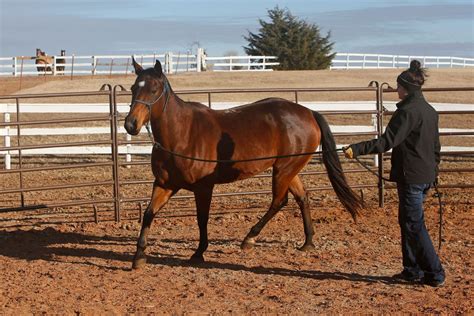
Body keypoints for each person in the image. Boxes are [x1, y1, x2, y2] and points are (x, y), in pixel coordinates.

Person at [343, 60, 445, 287]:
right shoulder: (429, 111)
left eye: (398, 87)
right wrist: (433, 171)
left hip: (412, 178)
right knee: (407, 221)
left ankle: (435, 273)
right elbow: (436, 148)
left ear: (405, 88)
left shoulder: (407, 112)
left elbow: (386, 142)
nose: (396, 90)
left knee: (413, 224)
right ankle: (412, 269)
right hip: (425, 176)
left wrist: (356, 149)